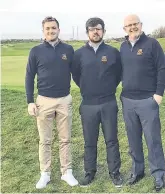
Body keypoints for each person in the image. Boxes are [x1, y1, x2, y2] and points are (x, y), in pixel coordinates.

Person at [25, 16, 78, 189]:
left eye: (53, 28)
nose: (50, 31)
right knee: (45, 140)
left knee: (65, 139)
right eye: (47, 28)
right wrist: (30, 101)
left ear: (58, 29)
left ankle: (66, 172)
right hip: (43, 101)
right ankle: (45, 174)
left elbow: (77, 73)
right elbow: (29, 77)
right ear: (43, 31)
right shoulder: (35, 51)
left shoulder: (68, 50)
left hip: (64, 99)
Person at [71, 17, 123, 187]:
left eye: (98, 29)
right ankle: (89, 172)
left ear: (103, 31)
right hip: (88, 104)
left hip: (108, 102)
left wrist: (107, 88)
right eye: (92, 29)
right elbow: (77, 77)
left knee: (111, 140)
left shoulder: (113, 52)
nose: (95, 32)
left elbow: (118, 75)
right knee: (89, 141)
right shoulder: (78, 54)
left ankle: (114, 173)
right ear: (87, 32)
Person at [120, 14, 165, 191]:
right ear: (124, 29)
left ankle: (159, 174)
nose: (132, 27)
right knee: (133, 140)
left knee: (153, 139)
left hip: (148, 100)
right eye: (129, 25)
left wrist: (159, 93)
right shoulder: (123, 47)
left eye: (135, 24)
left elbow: (162, 68)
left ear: (141, 24)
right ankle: (137, 171)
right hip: (128, 101)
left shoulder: (152, 44)